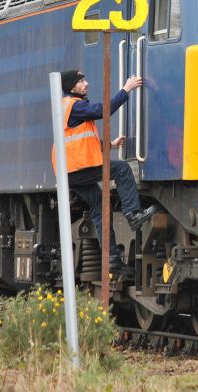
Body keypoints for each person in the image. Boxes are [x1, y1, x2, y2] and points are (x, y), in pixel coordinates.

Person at [52, 69, 157, 273]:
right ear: (72, 87)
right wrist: (126, 90)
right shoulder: (74, 106)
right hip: (75, 169)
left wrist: (109, 144)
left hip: (70, 171)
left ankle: (112, 262)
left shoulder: (69, 106)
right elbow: (102, 111)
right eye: (81, 81)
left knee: (100, 206)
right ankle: (133, 213)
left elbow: (79, 142)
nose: (86, 83)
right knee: (122, 169)